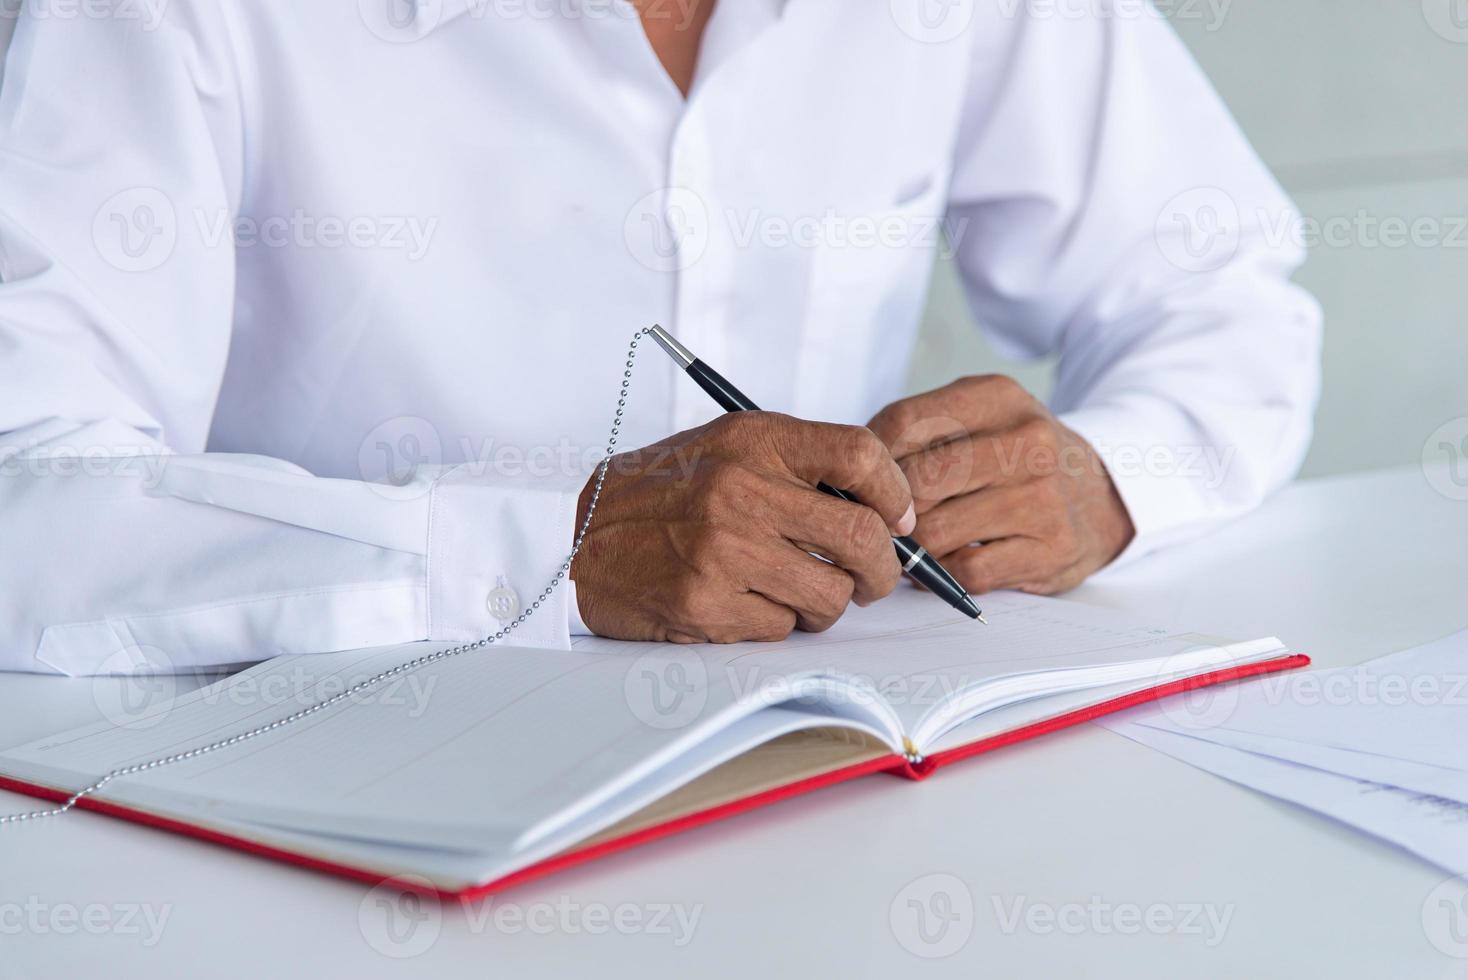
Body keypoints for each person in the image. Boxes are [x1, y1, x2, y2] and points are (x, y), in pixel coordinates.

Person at [0, 0, 1320, 675]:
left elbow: (1220, 303)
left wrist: (1111, 478)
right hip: (317, 817)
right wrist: (543, 550)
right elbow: (28, 501)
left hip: (832, 808)